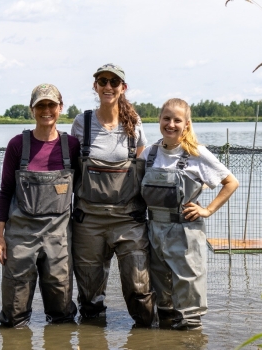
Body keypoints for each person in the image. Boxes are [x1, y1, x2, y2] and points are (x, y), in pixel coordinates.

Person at [139, 98, 239, 330]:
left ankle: (191, 339)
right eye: (166, 118)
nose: (171, 124)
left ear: (187, 124)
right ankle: (166, 339)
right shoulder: (149, 154)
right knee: (161, 295)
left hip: (185, 233)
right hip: (153, 232)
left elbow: (231, 182)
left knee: (189, 295)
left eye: (177, 120)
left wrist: (207, 210)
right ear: (159, 120)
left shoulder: (196, 153)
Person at [70, 63, 156, 327]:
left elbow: (140, 165)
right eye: (103, 81)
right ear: (95, 86)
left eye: (114, 82)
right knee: (89, 298)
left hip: (129, 220)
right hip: (89, 222)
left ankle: (148, 340)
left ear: (123, 87)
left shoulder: (135, 123)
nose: (108, 86)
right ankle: (94, 337)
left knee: (140, 291)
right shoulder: (81, 123)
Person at [0, 83, 79, 327]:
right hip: (21, 236)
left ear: (60, 108)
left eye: (51, 105)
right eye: (40, 105)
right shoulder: (18, 145)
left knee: (61, 313)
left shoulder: (71, 146)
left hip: (58, 237)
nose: (46, 110)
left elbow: (82, 190)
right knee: (13, 315)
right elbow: (5, 192)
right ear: (32, 110)